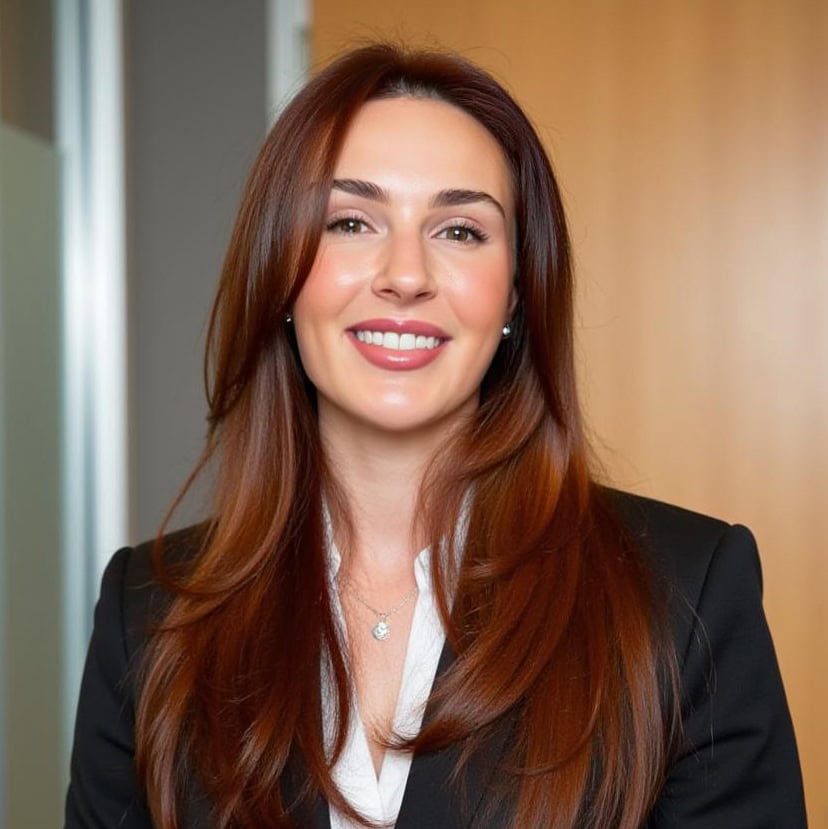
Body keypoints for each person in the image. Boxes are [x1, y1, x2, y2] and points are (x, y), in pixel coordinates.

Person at [65, 44, 806, 829]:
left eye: (459, 231)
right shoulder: (149, 616)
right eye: (351, 221)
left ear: (517, 291)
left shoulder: (682, 599)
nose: (406, 273)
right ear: (283, 273)